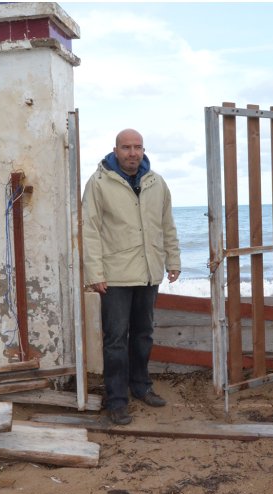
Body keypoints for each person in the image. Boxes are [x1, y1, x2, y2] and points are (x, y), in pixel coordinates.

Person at [82, 128, 181, 425]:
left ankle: (141, 386)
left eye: (138, 147)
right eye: (126, 147)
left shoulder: (157, 183)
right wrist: (95, 272)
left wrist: (172, 260)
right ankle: (116, 400)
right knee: (115, 340)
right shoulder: (99, 183)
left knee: (143, 335)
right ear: (115, 150)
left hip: (149, 273)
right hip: (114, 277)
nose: (133, 153)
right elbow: (89, 230)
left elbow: (167, 225)